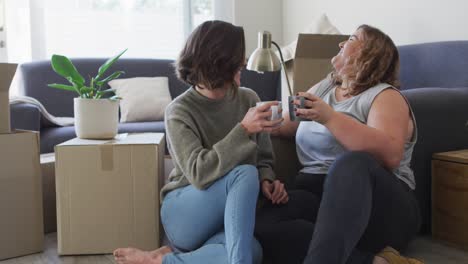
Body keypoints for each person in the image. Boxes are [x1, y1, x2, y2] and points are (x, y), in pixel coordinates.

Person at [113, 20, 289, 264]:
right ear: (219, 60)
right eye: (238, 56)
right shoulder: (179, 111)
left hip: (226, 220)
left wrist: (267, 180)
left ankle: (162, 260)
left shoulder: (249, 99)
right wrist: (243, 130)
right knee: (244, 174)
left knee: (252, 250)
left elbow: (263, 159)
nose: (243, 61)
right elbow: (199, 173)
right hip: (185, 211)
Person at [255, 25, 422, 264]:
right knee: (263, 226)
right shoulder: (323, 88)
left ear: (370, 54)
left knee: (352, 162)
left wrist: (330, 118)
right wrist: (254, 119)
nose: (341, 43)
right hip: (317, 196)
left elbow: (390, 154)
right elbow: (286, 124)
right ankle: (374, 262)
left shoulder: (385, 96)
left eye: (352, 39)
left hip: (381, 206)